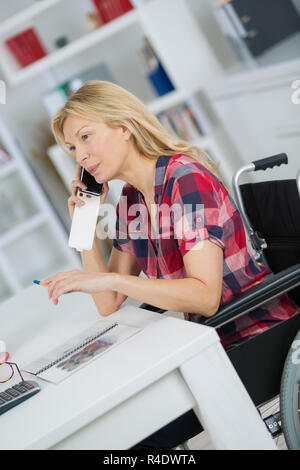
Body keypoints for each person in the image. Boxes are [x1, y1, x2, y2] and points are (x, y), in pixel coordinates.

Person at [46, 80, 299, 449]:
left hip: (253, 335)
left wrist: (113, 284)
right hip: (209, 341)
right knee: (122, 428)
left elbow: (204, 297)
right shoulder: (131, 201)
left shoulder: (185, 179)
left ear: (124, 127)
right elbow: (108, 301)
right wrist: (84, 228)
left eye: (86, 137)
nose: (79, 156)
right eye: (72, 148)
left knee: (137, 433)